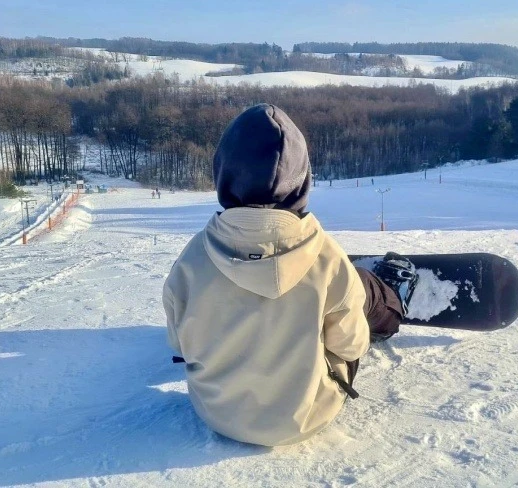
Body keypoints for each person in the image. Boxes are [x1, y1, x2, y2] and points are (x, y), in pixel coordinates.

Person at [163, 104, 417, 447]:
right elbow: (351, 345)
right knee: (358, 285)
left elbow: (180, 346)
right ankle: (391, 298)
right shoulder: (327, 257)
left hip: (216, 412)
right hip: (307, 416)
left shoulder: (191, 259)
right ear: (301, 181)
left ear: (223, 173)